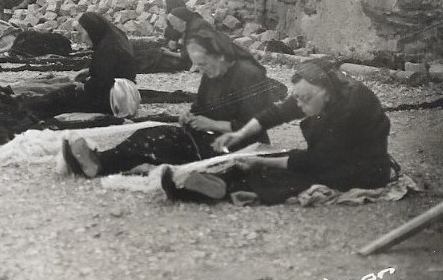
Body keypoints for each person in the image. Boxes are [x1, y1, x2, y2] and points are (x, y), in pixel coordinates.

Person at [159, 59, 394, 205]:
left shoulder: (351, 107)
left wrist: (261, 162)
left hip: (364, 170)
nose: (299, 106)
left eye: (304, 100)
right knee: (263, 159)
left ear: (325, 92)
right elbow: (276, 113)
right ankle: (207, 182)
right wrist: (240, 135)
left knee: (276, 173)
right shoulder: (319, 89)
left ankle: (217, 189)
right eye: (298, 99)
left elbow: (316, 160)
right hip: (332, 157)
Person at [63, 28, 284, 178]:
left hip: (242, 145)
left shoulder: (249, 75)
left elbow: (257, 125)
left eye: (202, 63)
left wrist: (212, 125)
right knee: (153, 135)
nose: (199, 69)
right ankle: (100, 161)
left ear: (221, 55)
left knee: (161, 143)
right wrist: (190, 116)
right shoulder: (212, 72)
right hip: (213, 135)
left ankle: (100, 164)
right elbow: (202, 107)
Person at [72, 12, 141, 114]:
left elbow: (102, 83)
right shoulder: (114, 38)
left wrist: (82, 86)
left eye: (82, 33)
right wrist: (89, 72)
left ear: (91, 30)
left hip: (113, 99)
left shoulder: (107, 48)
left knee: (60, 96)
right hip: (127, 94)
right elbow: (115, 69)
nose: (82, 39)